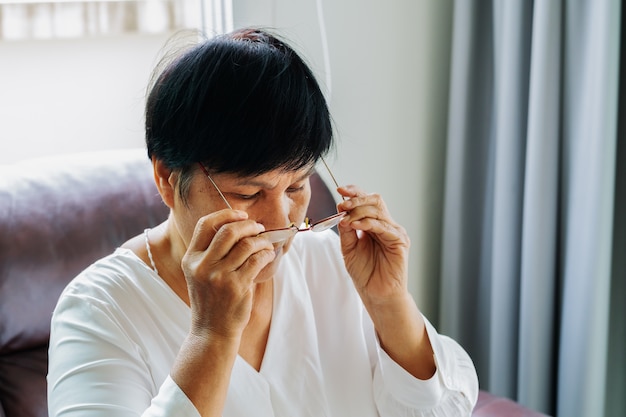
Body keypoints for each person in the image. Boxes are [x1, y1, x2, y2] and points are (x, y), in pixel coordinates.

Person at [47, 27, 478, 417]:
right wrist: (211, 336)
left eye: (296, 187)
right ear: (166, 178)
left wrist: (389, 303)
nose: (282, 221)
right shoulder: (98, 309)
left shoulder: (337, 264)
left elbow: (446, 410)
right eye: (248, 194)